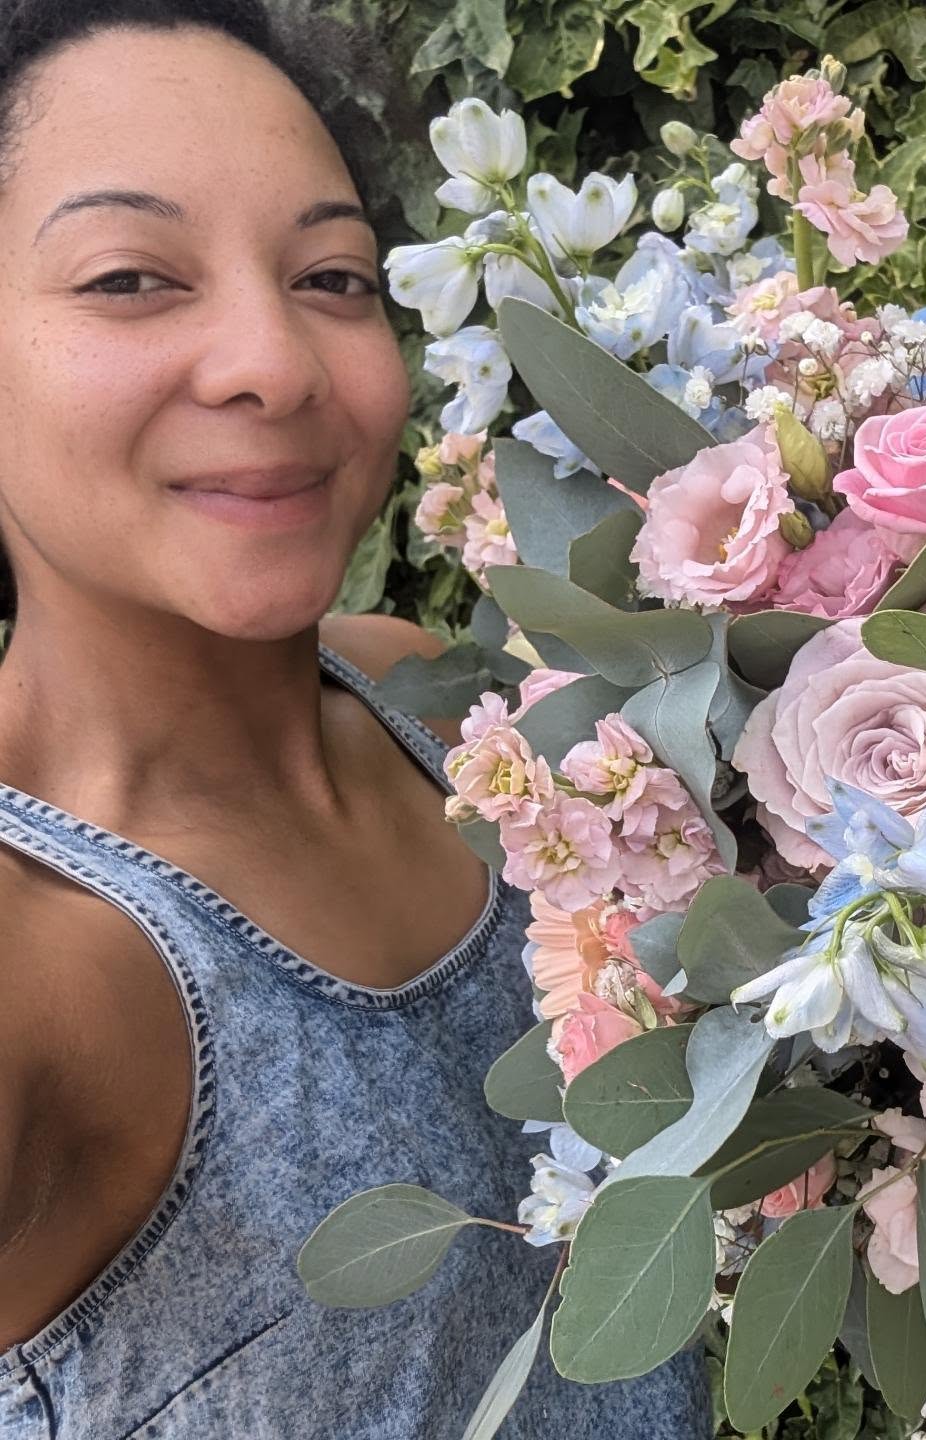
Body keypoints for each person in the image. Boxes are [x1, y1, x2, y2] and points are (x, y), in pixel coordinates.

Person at [0, 4, 710, 1436]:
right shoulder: (38, 960)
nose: (276, 361)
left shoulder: (439, 707)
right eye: (130, 278)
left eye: (331, 277)